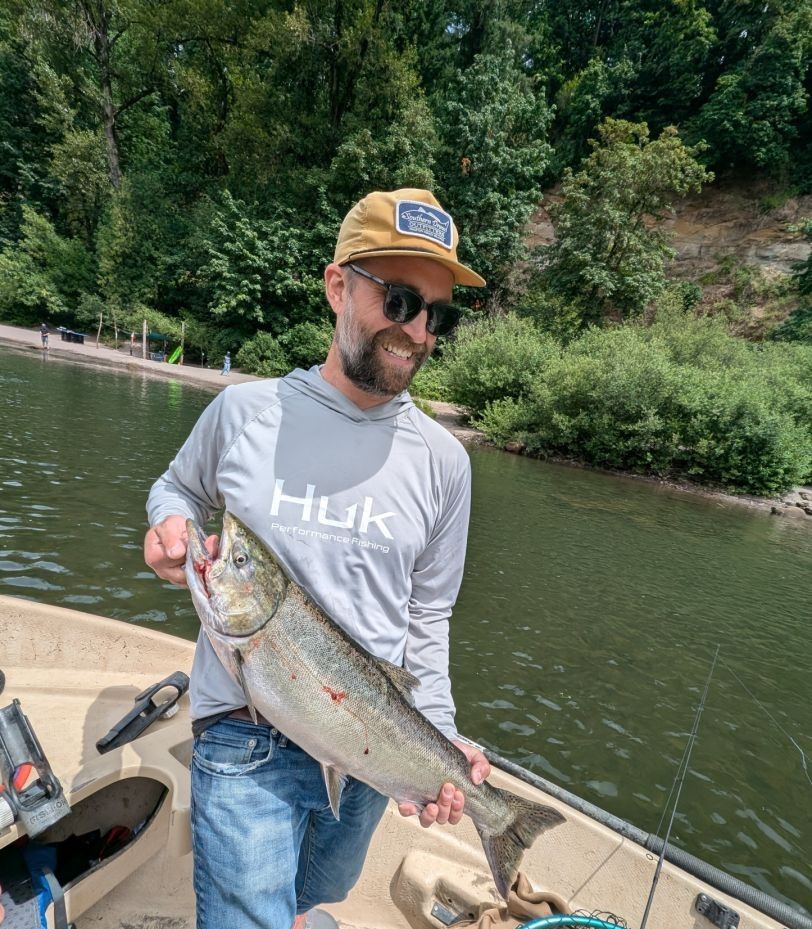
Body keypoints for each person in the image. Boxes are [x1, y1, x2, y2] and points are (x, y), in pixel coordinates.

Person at [143, 188, 491, 929]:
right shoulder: (244, 412)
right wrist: (169, 523)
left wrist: (441, 735)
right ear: (339, 285)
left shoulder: (445, 465)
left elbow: (427, 621)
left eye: (438, 313)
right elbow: (177, 488)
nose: (417, 330)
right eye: (400, 299)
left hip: (371, 740)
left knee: (319, 888)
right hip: (245, 728)